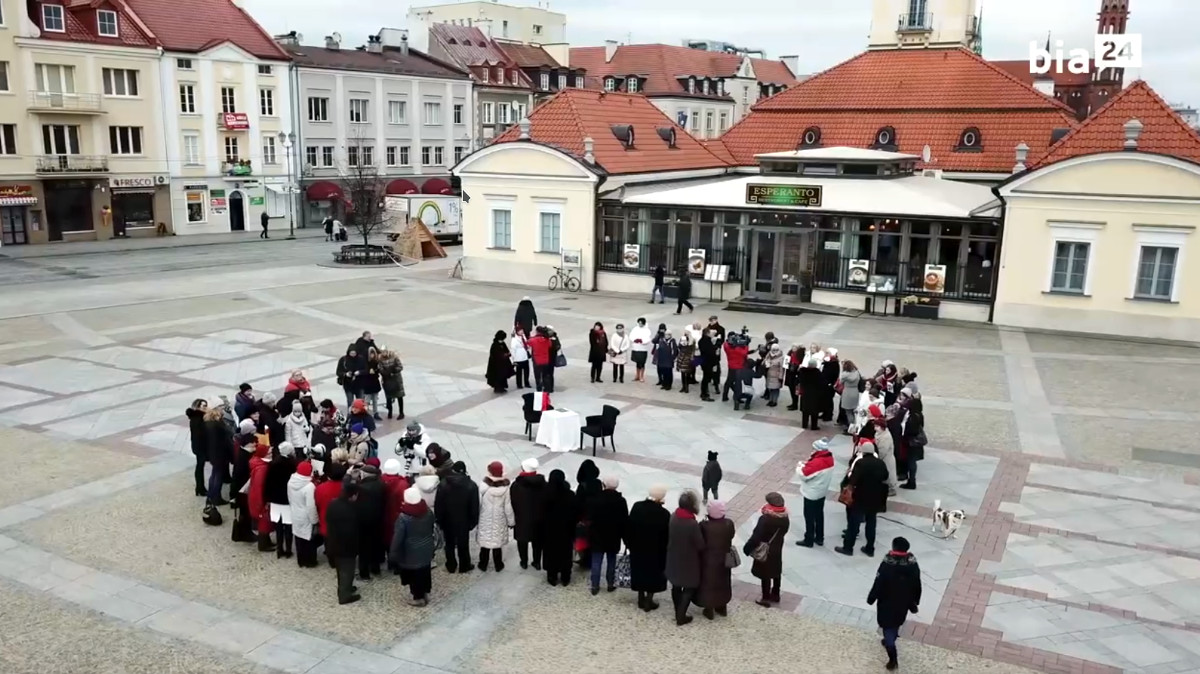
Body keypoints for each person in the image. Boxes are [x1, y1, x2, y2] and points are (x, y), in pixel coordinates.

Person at [867, 536, 923, 671]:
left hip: (886, 601)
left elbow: (878, 582)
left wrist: (871, 597)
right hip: (903, 602)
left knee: (887, 628)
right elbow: (917, 583)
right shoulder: (912, 564)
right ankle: (890, 639)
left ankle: (892, 658)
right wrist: (915, 601)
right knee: (896, 622)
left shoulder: (887, 563)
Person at [836, 441, 889, 557]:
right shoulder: (880, 463)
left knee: (854, 523)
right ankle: (870, 548)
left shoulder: (860, 463)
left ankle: (848, 547)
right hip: (875, 497)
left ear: (863, 452)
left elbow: (853, 480)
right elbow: (886, 476)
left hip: (860, 497)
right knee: (871, 523)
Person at [391, 486, 438, 606]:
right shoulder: (428, 512)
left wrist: (393, 553)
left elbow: (398, 538)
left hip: (410, 551)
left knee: (414, 575)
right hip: (426, 547)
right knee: (425, 572)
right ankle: (425, 593)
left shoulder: (403, 517)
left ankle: (418, 598)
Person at [625, 484, 669, 611]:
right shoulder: (664, 514)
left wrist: (629, 543)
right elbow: (667, 536)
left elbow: (629, 526)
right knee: (653, 575)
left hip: (638, 548)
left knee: (639, 571)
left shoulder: (637, 507)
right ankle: (649, 600)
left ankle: (640, 597)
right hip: (656, 551)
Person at [744, 492, 790, 607]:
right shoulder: (785, 517)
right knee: (776, 568)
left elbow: (756, 536)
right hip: (777, 546)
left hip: (765, 547)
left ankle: (765, 598)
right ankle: (776, 594)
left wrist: (747, 548)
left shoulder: (765, 519)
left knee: (765, 572)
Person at [665, 489, 703, 626]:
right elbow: (700, 544)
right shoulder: (692, 524)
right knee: (689, 587)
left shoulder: (673, 516)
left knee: (676, 585)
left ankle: (677, 611)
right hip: (689, 560)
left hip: (674, 556)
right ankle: (681, 616)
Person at [435, 460, 480, 573]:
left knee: (449, 543)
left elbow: (438, 504)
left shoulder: (444, 483)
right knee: (463, 544)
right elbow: (475, 507)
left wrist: (439, 519)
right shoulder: (471, 485)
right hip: (464, 520)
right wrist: (472, 522)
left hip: (447, 519)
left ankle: (451, 565)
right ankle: (464, 565)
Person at [588, 475, 629, 595]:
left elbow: (590, 517)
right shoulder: (621, 501)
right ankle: (610, 583)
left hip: (597, 535)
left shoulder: (595, 499)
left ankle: (595, 585)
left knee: (596, 561)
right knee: (612, 561)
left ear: (603, 485)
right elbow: (624, 520)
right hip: (614, 536)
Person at [698, 499, 735, 620]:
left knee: (708, 583)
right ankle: (722, 606)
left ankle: (709, 609)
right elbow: (731, 535)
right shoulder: (728, 524)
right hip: (724, 559)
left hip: (708, 560)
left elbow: (699, 541)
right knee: (723, 582)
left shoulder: (704, 526)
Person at [326, 480, 361, 604]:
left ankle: (345, 587)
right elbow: (352, 531)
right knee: (347, 570)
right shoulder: (351, 510)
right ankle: (344, 595)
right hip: (346, 547)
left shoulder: (333, 504)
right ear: (353, 495)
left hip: (333, 542)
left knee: (341, 570)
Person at [541, 469, 578, 586]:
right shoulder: (570, 495)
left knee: (551, 553)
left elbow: (540, 513)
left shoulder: (545, 494)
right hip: (566, 531)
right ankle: (565, 577)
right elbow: (574, 514)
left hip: (549, 531)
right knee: (565, 553)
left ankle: (552, 576)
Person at [796, 439, 835, 547]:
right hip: (821, 492)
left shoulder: (818, 462)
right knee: (819, 515)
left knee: (809, 517)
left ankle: (808, 539)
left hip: (811, 493)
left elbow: (804, 475)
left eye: (813, 448)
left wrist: (800, 466)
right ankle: (819, 537)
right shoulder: (829, 458)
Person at [477, 461, 515, 572]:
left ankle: (483, 564)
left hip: (485, 517)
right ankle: (498, 565)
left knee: (485, 543)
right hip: (500, 518)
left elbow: (478, 503)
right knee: (497, 544)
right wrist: (511, 522)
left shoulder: (483, 486)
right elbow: (508, 507)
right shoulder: (506, 488)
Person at [510, 458, 547, 570]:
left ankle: (524, 561)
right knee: (538, 541)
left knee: (522, 541)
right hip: (539, 518)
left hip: (522, 518)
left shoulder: (517, 485)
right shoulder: (543, 484)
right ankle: (536, 562)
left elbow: (513, 502)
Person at [266, 442, 298, 558]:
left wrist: (268, 498)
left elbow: (268, 482)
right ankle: (288, 549)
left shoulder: (273, 463)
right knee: (288, 526)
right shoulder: (292, 464)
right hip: (287, 499)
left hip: (275, 499)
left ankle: (280, 549)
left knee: (278, 526)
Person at [355, 463, 387, 579]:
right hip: (378, 518)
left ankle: (364, 573)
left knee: (363, 547)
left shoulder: (361, 488)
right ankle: (375, 568)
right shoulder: (381, 484)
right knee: (375, 544)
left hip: (363, 521)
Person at [287, 460, 320, 567]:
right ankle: (310, 561)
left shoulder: (291, 482)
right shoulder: (309, 487)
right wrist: (315, 520)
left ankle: (301, 560)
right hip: (306, 516)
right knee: (308, 540)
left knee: (298, 538)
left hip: (295, 512)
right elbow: (311, 506)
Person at [380, 459, 410, 573]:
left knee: (387, 539)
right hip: (398, 515)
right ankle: (397, 565)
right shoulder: (403, 484)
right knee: (398, 539)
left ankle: (390, 562)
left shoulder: (381, 481)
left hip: (384, 515)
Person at [314, 462, 346, 563]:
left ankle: (331, 559)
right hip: (343, 519)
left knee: (328, 539)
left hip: (326, 517)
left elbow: (317, 502)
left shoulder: (320, 488)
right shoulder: (346, 488)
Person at [574, 460, 602, 570]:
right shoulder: (598, 483)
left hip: (584, 516)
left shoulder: (582, 486)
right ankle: (590, 559)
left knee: (583, 538)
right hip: (595, 515)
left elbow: (578, 503)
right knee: (592, 539)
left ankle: (584, 559)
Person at [248, 443, 275, 552]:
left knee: (265, 523)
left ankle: (266, 541)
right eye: (269, 452)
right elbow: (259, 488)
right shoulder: (262, 469)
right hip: (260, 501)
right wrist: (261, 503)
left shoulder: (259, 465)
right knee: (264, 523)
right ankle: (263, 544)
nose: (271, 454)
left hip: (257, 499)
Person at [204, 403, 232, 506]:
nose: (223, 409)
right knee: (218, 476)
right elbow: (223, 440)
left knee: (214, 474)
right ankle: (216, 497)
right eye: (221, 407)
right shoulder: (216, 424)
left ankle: (211, 496)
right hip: (220, 453)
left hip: (213, 453)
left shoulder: (208, 422)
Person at [900, 397, 925, 490]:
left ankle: (912, 481)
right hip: (912, 442)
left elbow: (912, 430)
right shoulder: (918, 414)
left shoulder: (914, 416)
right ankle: (911, 480)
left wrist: (905, 435)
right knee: (911, 461)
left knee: (911, 461)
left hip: (912, 443)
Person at [186, 399, 209, 497]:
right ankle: (200, 488)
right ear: (198, 407)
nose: (206, 408)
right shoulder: (198, 419)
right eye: (204, 406)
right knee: (200, 466)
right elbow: (201, 434)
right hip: (201, 446)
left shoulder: (196, 417)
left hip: (198, 445)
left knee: (200, 466)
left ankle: (200, 487)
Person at [797, 355, 824, 431]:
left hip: (805, 393)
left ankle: (804, 424)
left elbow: (799, 380)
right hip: (815, 394)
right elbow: (821, 383)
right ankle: (814, 426)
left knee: (805, 411)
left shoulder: (803, 372)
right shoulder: (817, 373)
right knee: (814, 411)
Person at [721, 332, 749, 402]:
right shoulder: (737, 349)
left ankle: (725, 396)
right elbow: (744, 353)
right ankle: (737, 397)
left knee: (729, 381)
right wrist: (746, 345)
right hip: (738, 367)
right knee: (738, 383)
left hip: (731, 366)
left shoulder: (726, 345)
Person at [378, 349, 406, 420]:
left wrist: (393, 371)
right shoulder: (380, 360)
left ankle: (401, 413)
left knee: (399, 396)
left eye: (385, 352)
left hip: (396, 380)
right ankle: (390, 412)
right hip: (387, 380)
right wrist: (385, 373)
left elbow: (400, 366)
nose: (384, 354)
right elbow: (380, 369)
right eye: (382, 352)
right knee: (389, 397)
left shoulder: (394, 357)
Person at [838, 360, 863, 431]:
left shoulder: (845, 374)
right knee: (853, 411)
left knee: (848, 411)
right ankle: (855, 425)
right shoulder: (856, 372)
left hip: (847, 392)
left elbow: (840, 382)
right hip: (855, 391)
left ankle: (851, 428)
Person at [528, 326, 553, 393]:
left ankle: (539, 389)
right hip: (545, 360)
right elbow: (550, 346)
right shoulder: (547, 339)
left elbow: (528, 343)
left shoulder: (534, 340)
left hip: (537, 360)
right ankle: (547, 388)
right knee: (545, 375)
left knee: (538, 376)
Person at [697, 329, 719, 402]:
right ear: (707, 334)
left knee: (705, 378)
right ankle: (704, 394)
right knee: (706, 379)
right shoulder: (707, 341)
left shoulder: (701, 341)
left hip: (703, 362)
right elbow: (711, 353)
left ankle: (704, 392)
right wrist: (715, 347)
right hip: (708, 363)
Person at [628, 318, 652, 383]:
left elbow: (648, 339)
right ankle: (637, 375)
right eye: (639, 323)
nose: (640, 324)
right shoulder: (635, 329)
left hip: (643, 349)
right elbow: (631, 336)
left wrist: (642, 341)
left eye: (641, 323)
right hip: (636, 348)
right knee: (637, 363)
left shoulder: (647, 330)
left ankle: (642, 376)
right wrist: (634, 339)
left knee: (642, 363)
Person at [336, 345, 360, 409]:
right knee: (350, 401)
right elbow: (338, 372)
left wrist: (359, 372)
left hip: (359, 384)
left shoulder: (360, 359)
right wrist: (345, 374)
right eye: (351, 353)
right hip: (348, 384)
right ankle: (350, 415)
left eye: (354, 353)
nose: (353, 355)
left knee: (360, 402)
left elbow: (364, 369)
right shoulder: (343, 360)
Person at [821, 348, 841, 422]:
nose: (826, 354)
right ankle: (824, 413)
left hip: (829, 384)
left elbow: (833, 374)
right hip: (824, 383)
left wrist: (830, 383)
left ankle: (829, 415)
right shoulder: (827, 361)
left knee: (828, 400)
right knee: (824, 400)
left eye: (828, 353)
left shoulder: (834, 363)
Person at [675, 331, 696, 395]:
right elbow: (678, 347)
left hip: (687, 360)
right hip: (682, 359)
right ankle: (683, 387)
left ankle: (686, 387)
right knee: (683, 374)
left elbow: (693, 348)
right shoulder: (682, 341)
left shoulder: (691, 344)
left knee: (687, 375)